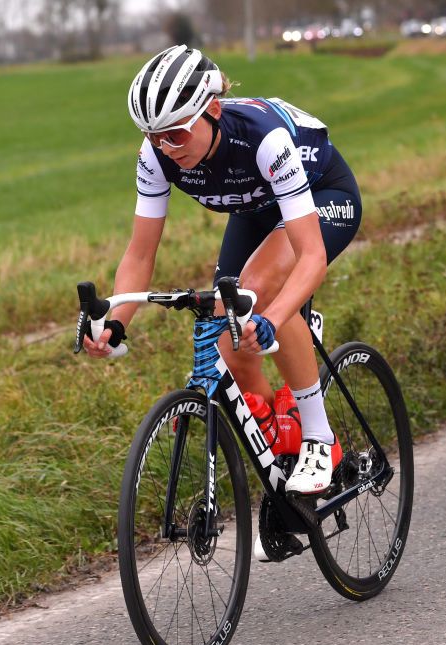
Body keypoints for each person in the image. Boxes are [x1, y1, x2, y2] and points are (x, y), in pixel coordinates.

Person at [84, 45, 361, 498]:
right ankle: (284, 455)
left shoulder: (263, 138)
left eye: (175, 134)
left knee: (260, 292)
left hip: (323, 196)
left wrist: (273, 317)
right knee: (228, 339)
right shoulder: (157, 153)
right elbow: (139, 254)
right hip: (256, 208)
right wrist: (115, 322)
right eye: (154, 137)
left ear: (211, 109)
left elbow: (309, 256)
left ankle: (319, 439)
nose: (165, 149)